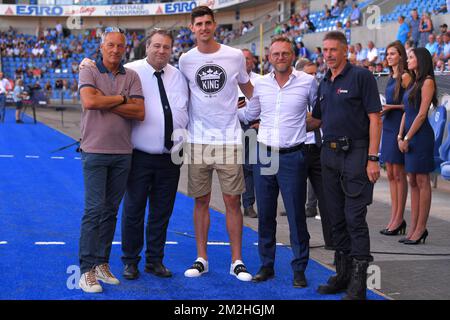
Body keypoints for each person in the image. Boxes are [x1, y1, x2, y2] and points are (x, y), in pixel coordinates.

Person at [179, 6, 254, 281]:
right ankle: (202, 258)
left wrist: (257, 115)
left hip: (229, 139)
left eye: (208, 22)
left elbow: (250, 90)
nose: (203, 27)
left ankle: (237, 260)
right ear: (192, 28)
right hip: (198, 140)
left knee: (233, 201)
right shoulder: (185, 60)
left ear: (215, 25)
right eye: (198, 23)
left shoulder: (234, 56)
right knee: (201, 201)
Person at [309, 31, 382, 300]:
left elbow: (376, 119)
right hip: (329, 155)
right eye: (325, 50)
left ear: (345, 50)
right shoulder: (324, 81)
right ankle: (342, 274)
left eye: (333, 50)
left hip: (356, 154)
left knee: (354, 218)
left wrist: (373, 158)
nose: (328, 54)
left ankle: (358, 283)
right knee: (335, 218)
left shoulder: (361, 76)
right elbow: (315, 120)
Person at [239, 36, 317, 288]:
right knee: (265, 216)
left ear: (292, 55)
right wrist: (228, 108)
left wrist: (296, 128)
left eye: (285, 53)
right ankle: (266, 266)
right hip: (264, 156)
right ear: (269, 57)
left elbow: (319, 116)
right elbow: (251, 113)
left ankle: (299, 268)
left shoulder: (308, 82)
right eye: (276, 54)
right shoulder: (261, 84)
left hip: (294, 156)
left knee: (296, 216)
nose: (280, 58)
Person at [77, 27, 145, 293]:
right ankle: (86, 270)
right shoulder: (89, 69)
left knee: (110, 212)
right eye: (111, 45)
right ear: (102, 46)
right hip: (94, 150)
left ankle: (101, 263)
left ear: (125, 48)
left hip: (122, 152)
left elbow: (139, 112)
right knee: (94, 211)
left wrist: (105, 100)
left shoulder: (132, 75)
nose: (115, 50)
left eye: (120, 46)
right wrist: (121, 99)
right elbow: (89, 102)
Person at [120, 29, 189, 280]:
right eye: (157, 46)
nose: (161, 51)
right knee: (134, 210)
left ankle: (155, 260)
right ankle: (130, 261)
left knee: (162, 212)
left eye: (166, 47)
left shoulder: (179, 76)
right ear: (147, 47)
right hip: (139, 155)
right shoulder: (130, 71)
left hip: (171, 157)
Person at [397, 48, 437, 245]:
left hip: (420, 137)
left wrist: (407, 138)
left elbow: (421, 115)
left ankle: (421, 228)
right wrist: (400, 135)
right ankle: (412, 228)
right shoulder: (412, 82)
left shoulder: (428, 81)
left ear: (421, 60)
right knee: (411, 179)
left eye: (411, 57)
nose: (408, 60)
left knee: (421, 180)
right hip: (409, 135)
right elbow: (407, 112)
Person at [295, 60, 334, 248]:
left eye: (315, 74)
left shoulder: (322, 93)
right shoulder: (293, 95)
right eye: (308, 74)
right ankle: (301, 242)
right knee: (297, 199)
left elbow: (324, 117)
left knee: (327, 200)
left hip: (319, 149)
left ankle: (332, 242)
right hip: (299, 149)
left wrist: (313, 119)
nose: (313, 78)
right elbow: (295, 121)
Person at [379, 41, 411, 237]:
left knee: (399, 174)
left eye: (393, 53)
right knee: (390, 173)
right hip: (388, 125)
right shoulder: (390, 76)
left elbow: (411, 105)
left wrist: (391, 108)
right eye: (387, 54)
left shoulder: (406, 77)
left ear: (401, 55)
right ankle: (394, 217)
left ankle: (399, 218)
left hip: (399, 124)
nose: (389, 57)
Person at [239, 49, 261, 219]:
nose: (245, 61)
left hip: (253, 128)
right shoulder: (229, 81)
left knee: (250, 168)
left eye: (247, 58)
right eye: (241, 58)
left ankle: (249, 204)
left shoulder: (261, 81)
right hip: (232, 128)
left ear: (253, 61)